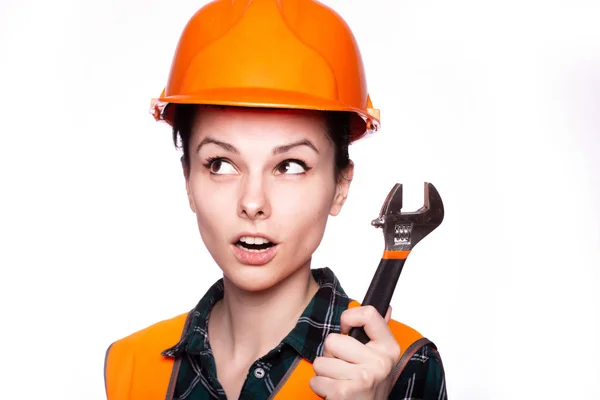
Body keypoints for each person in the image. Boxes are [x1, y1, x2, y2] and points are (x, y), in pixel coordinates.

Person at [104, 0, 447, 399]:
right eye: (220, 164)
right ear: (188, 181)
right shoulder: (131, 366)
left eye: (290, 166)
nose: (253, 203)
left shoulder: (403, 365)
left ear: (340, 186)